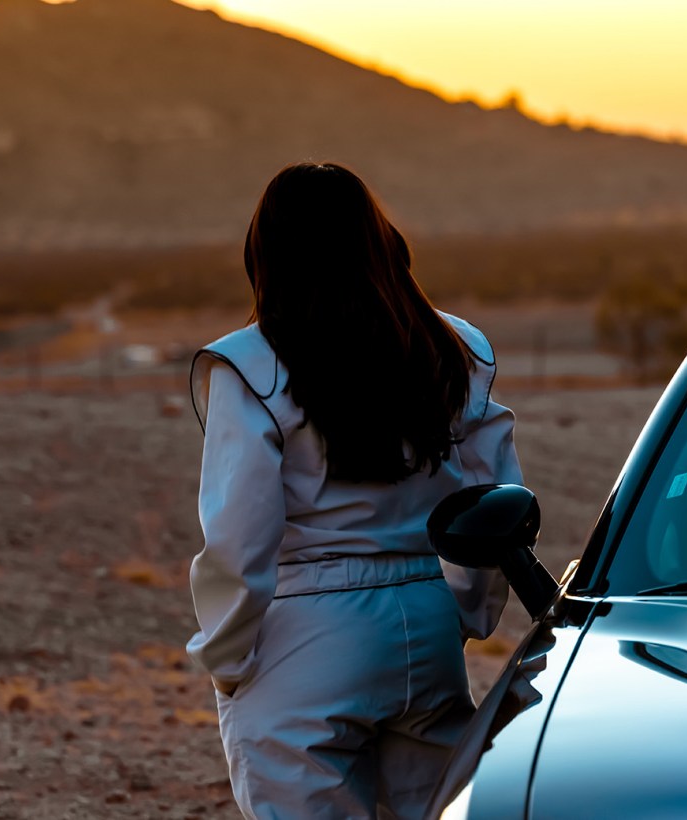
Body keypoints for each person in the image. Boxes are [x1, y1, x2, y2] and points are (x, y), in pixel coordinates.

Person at [186, 162, 519, 819]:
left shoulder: (250, 367)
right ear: (378, 237)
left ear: (267, 251)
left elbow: (239, 534)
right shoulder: (453, 349)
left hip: (305, 633)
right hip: (425, 626)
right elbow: (495, 502)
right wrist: (465, 615)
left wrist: (229, 659)